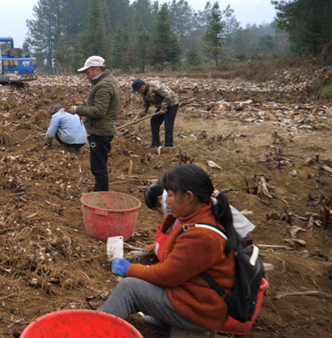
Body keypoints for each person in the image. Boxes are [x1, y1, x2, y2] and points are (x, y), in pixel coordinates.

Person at [99, 165, 237, 333]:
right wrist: (148, 252)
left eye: (170, 195)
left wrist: (130, 269)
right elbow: (174, 256)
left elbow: (167, 276)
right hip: (192, 296)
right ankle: (164, 322)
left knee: (129, 288)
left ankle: (94, 331)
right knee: (144, 276)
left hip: (200, 310)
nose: (166, 201)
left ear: (189, 197)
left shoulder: (201, 235)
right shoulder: (195, 215)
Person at [144, 181, 255, 259]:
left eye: (156, 209)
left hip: (238, 245)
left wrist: (149, 249)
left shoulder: (173, 203)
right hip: (241, 238)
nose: (160, 212)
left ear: (160, 199)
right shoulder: (184, 196)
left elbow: (172, 239)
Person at [70, 56, 120, 192]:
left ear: (97, 69)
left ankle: (101, 196)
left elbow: (99, 111)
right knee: (98, 167)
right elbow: (101, 105)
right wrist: (86, 104)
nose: (87, 77)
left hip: (100, 132)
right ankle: (98, 192)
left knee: (99, 169)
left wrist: (77, 110)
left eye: (88, 73)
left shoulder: (104, 85)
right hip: (100, 130)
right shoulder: (105, 82)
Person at [132, 79, 180, 148]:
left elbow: (167, 95)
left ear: (142, 87)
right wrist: (138, 118)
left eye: (138, 90)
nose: (138, 92)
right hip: (162, 106)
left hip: (172, 103)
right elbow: (145, 106)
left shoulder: (154, 86)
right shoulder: (144, 93)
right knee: (154, 121)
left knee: (168, 125)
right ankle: (156, 143)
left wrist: (163, 108)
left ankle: (169, 146)